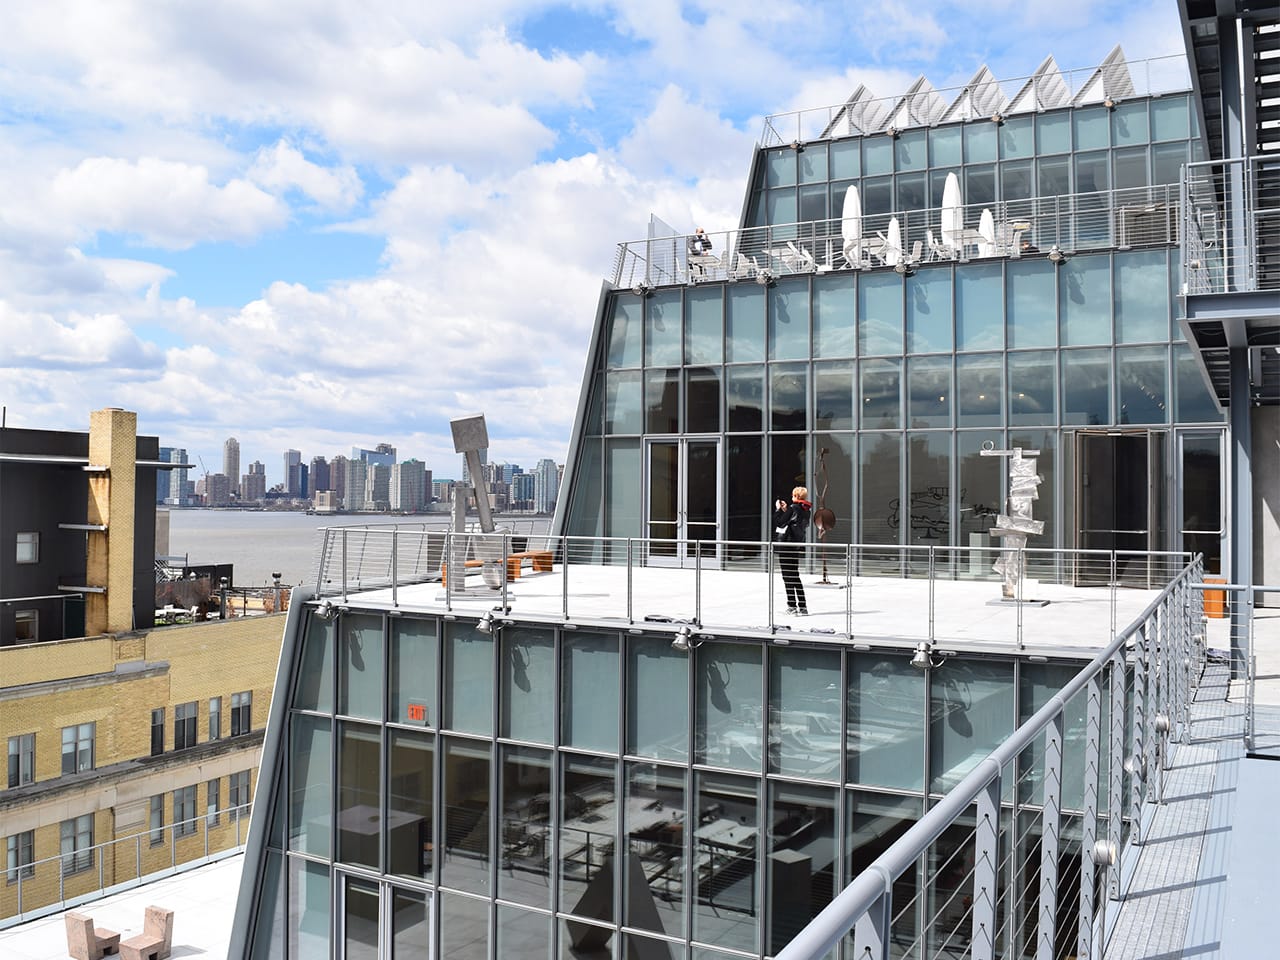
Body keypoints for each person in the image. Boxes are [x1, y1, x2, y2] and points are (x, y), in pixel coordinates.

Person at [773, 485, 812, 615]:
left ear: (796, 496)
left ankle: (791, 606)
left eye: (793, 495)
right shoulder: (806, 509)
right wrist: (786, 510)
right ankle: (803, 606)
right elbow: (793, 520)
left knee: (787, 576)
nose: (791, 497)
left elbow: (779, 522)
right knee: (795, 575)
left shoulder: (793, 508)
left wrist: (778, 510)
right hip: (795, 546)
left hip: (786, 546)